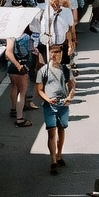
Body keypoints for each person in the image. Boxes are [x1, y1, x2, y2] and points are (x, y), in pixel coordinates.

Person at [35, 44, 76, 174]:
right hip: (49, 105)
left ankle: (59, 154)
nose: (54, 55)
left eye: (57, 52)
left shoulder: (65, 69)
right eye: (52, 52)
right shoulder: (43, 71)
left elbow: (72, 86)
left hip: (63, 104)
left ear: (61, 53)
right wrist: (47, 100)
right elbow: (39, 90)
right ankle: (53, 160)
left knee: (61, 129)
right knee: (51, 132)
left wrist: (69, 97)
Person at [5, 27, 34, 127]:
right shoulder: (26, 36)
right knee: (22, 92)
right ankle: (20, 118)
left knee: (14, 86)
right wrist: (19, 65)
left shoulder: (11, 35)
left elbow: (8, 52)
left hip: (11, 65)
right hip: (22, 65)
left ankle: (14, 108)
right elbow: (30, 50)